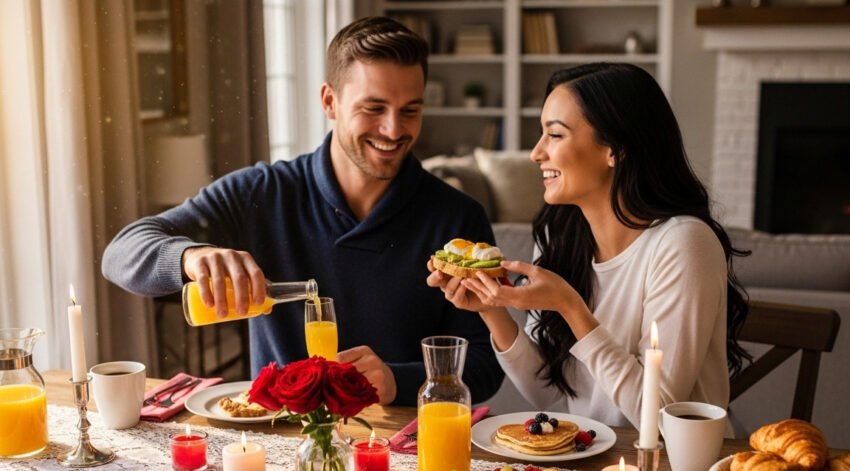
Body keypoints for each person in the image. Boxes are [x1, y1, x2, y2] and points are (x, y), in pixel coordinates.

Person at [102, 17, 503, 406]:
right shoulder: (261, 193)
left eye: (410, 111)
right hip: (281, 437)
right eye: (374, 108)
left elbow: (487, 365)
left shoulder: (457, 219)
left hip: (401, 439)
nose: (394, 129)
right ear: (329, 101)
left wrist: (399, 380)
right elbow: (120, 254)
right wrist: (190, 256)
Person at [427, 63, 749, 429]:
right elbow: (549, 394)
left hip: (678, 461)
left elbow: (658, 416)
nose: (536, 153)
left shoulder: (683, 244)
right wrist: (492, 309)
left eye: (555, 135)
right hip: (591, 456)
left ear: (615, 149)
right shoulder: (560, 238)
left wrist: (570, 307)